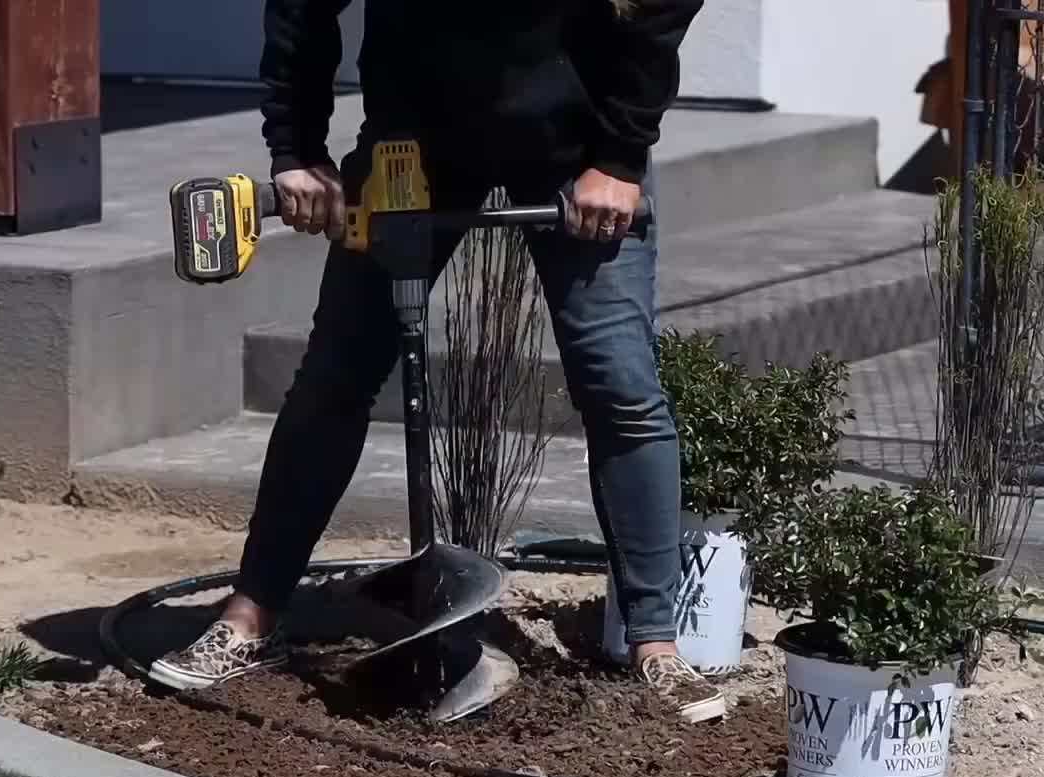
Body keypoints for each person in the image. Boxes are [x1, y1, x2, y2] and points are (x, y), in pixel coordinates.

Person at [149, 0, 725, 723]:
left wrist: (618, 157)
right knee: (337, 373)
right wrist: (297, 151)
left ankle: (656, 646)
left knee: (620, 385)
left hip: (577, 146)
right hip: (411, 146)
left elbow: (658, 11)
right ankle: (252, 615)